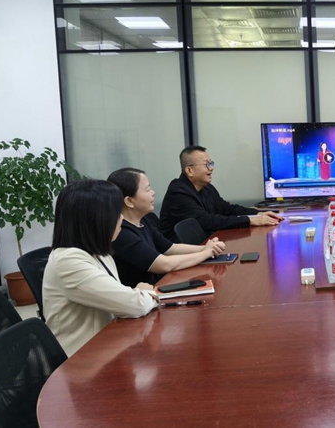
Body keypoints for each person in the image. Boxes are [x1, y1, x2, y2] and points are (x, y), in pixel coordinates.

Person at [43, 180, 158, 356]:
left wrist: (137, 294)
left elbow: (124, 301)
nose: (121, 219)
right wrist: (144, 292)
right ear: (95, 219)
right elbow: (136, 305)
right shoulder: (68, 261)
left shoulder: (99, 253)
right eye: (116, 213)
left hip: (108, 345)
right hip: (81, 360)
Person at [108, 168, 226, 288]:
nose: (153, 193)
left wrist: (206, 248)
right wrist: (206, 253)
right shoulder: (121, 233)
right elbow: (164, 264)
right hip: (146, 295)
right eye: (147, 189)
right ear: (129, 201)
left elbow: (170, 248)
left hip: (160, 287)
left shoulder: (143, 221)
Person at [159, 146, 282, 241]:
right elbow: (207, 221)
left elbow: (226, 209)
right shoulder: (179, 193)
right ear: (189, 170)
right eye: (206, 164)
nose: (211, 168)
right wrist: (250, 221)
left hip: (205, 245)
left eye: (211, 163)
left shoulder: (206, 187)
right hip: (182, 256)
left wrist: (257, 214)